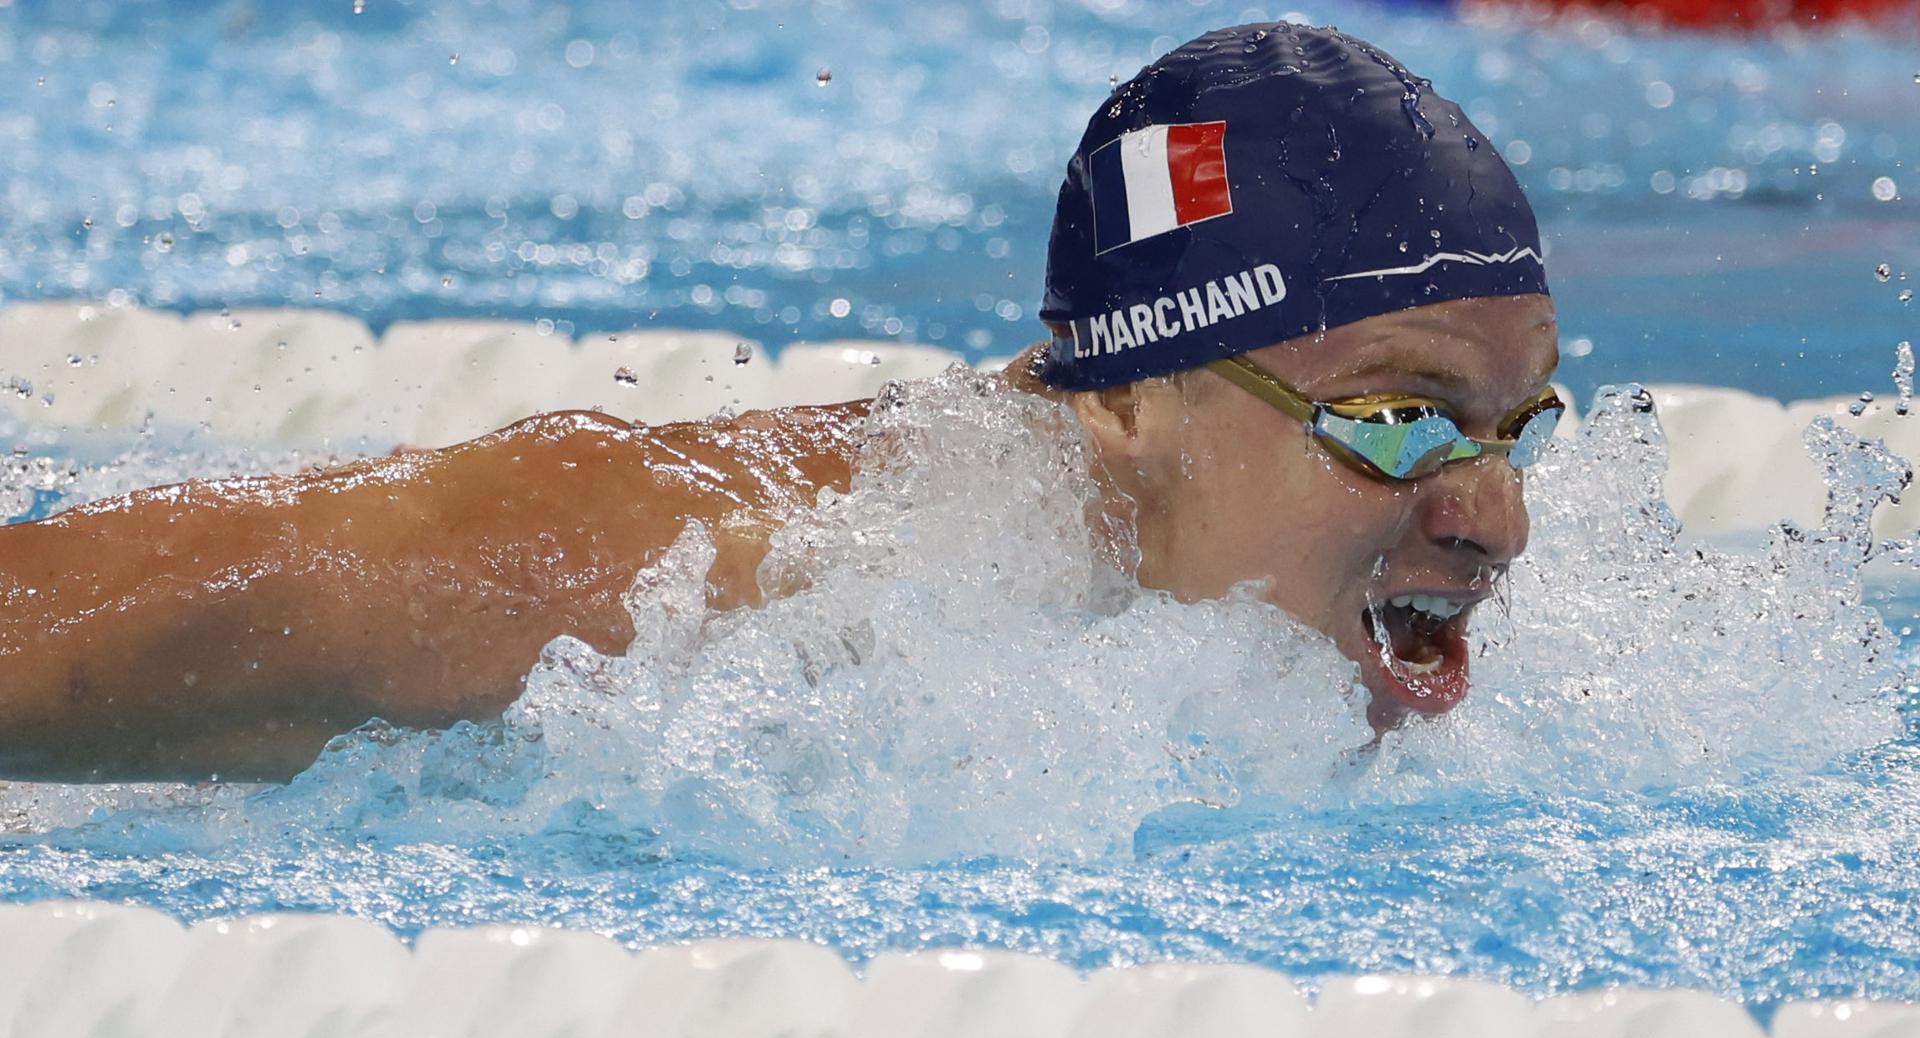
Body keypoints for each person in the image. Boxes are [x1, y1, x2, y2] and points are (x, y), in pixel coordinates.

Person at [0, 23, 1559, 783]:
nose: (1494, 516)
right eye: (1400, 419)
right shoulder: (714, 579)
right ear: (1126, 397)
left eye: (1513, 424)